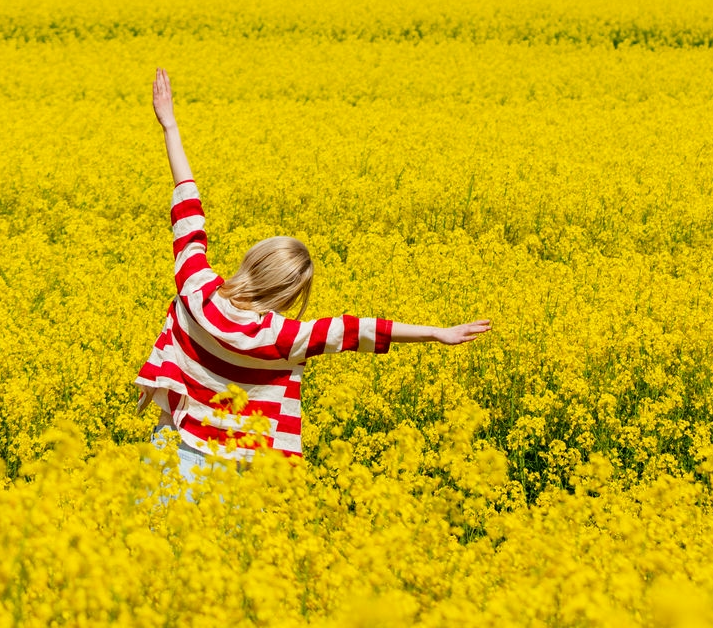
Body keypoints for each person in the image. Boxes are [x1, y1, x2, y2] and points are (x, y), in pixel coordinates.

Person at [136, 68, 490, 483]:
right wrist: (435, 333)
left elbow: (188, 206)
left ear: (253, 261)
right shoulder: (282, 339)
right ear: (289, 294)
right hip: (235, 472)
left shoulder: (198, 290)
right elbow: (355, 329)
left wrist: (170, 125)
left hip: (173, 448)